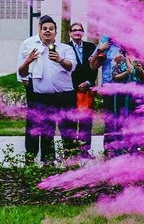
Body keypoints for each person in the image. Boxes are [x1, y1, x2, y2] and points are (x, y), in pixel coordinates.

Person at [16, 15, 77, 165]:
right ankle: (48, 160)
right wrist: (28, 60)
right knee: (46, 130)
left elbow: (72, 67)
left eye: (51, 29)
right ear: (40, 31)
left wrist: (60, 60)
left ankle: (71, 159)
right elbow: (22, 73)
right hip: (42, 97)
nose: (48, 31)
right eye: (45, 29)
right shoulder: (33, 48)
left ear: (56, 32)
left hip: (65, 96)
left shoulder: (66, 48)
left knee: (68, 128)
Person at [66, 22, 98, 155]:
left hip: (87, 88)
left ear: (83, 32)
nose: (77, 32)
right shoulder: (65, 48)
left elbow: (95, 66)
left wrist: (88, 82)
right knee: (70, 119)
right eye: (74, 30)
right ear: (70, 33)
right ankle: (71, 150)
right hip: (70, 89)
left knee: (86, 120)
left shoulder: (91, 47)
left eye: (79, 30)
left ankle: (85, 149)